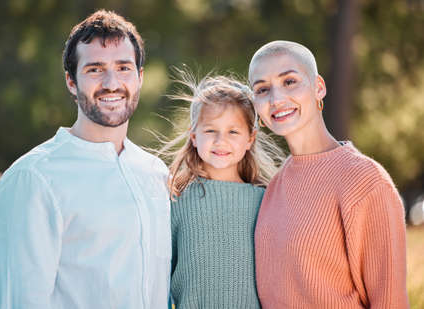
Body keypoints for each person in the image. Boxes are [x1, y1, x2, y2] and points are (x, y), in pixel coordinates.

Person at [0, 10, 171, 308]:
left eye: (124, 68)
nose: (112, 83)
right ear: (71, 82)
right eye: (95, 69)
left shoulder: (155, 173)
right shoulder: (33, 178)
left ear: (139, 78)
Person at [248, 40, 409, 308]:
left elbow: (389, 300)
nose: (276, 99)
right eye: (262, 89)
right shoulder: (274, 185)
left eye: (289, 81)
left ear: (318, 87)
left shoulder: (364, 181)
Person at [163, 72, 284, 308]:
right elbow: (159, 274)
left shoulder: (265, 202)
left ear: (250, 139)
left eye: (233, 132)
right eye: (210, 131)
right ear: (194, 136)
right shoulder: (176, 199)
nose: (221, 141)